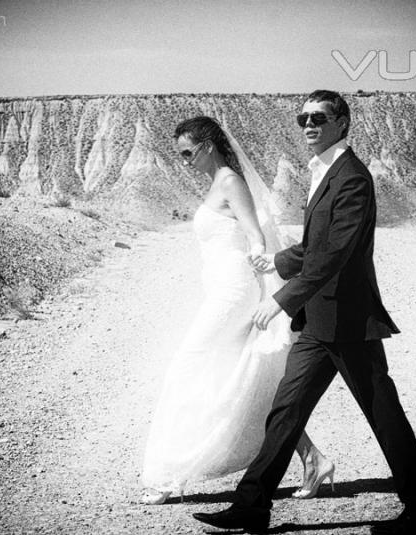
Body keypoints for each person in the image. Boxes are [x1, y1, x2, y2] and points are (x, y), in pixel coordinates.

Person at [193, 91, 416, 535]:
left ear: (342, 123)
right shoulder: (325, 170)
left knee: (382, 413)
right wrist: (279, 263)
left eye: (319, 118)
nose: (308, 124)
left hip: (348, 322)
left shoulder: (352, 177)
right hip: (318, 321)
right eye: (302, 117)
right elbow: (314, 246)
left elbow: (335, 255)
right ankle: (251, 507)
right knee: (285, 411)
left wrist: (281, 298)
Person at [140, 116, 334, 505]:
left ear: (208, 145)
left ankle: (170, 474)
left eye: (187, 153)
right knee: (248, 376)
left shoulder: (229, 181)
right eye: (179, 155)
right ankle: (313, 458)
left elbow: (256, 237)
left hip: (234, 293)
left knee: (186, 366)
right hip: (220, 290)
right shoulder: (217, 184)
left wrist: (270, 291)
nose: (183, 161)